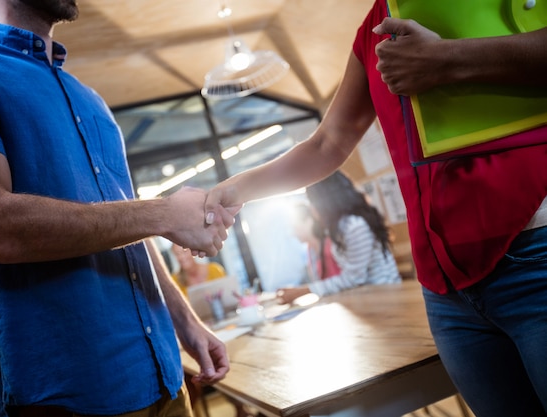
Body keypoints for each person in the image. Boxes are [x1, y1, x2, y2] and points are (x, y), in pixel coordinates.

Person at [204, 1, 547, 415]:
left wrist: (450, 60)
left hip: (535, 249)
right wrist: (234, 189)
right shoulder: (374, 26)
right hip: (445, 290)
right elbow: (328, 143)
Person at [0, 1, 237, 416]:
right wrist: (164, 213)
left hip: (163, 376)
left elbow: (127, 222)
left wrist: (185, 321)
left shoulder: (90, 100)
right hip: (73, 394)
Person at [278, 171, 400, 304]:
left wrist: (303, 291)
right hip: (370, 297)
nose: (312, 208)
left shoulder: (354, 225)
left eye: (312, 201)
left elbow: (354, 278)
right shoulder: (340, 227)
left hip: (385, 297)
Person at [289, 201, 342, 283]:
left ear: (309, 221)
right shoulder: (310, 249)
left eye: (295, 227)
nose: (293, 234)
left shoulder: (331, 244)